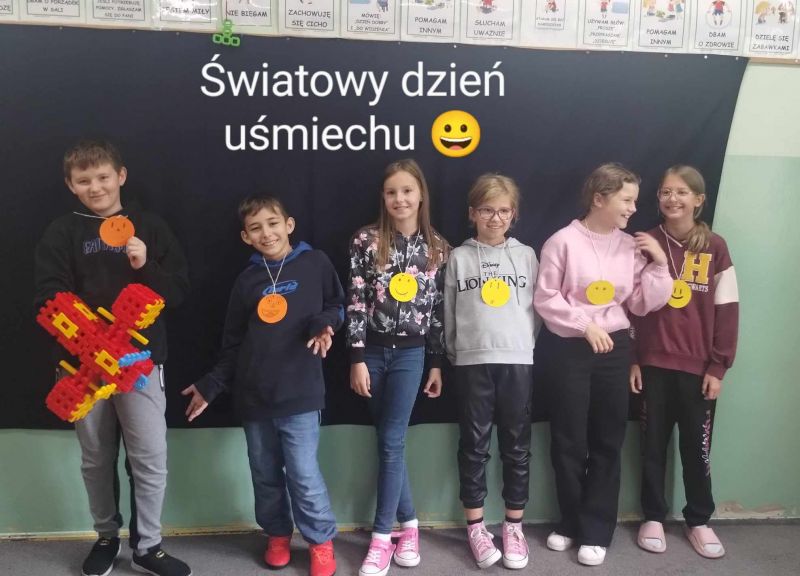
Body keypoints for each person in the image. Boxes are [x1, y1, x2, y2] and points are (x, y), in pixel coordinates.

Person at [34, 139, 191, 576]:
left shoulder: (151, 226)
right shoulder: (61, 233)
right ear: (71, 185)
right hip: (82, 368)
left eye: (103, 177)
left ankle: (149, 546)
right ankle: (106, 537)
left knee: (150, 456)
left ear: (120, 176)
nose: (95, 187)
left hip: (141, 364)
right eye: (84, 180)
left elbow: (178, 291)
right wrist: (95, 343)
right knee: (96, 457)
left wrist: (146, 266)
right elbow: (47, 297)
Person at [182, 196, 342, 576]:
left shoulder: (315, 262)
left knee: (304, 475)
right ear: (246, 237)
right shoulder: (247, 281)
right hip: (254, 398)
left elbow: (338, 304)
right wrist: (211, 385)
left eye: (272, 223)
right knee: (265, 474)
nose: (266, 233)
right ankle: (277, 534)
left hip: (301, 394)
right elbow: (233, 344)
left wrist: (324, 324)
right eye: (256, 228)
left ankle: (320, 541)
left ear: (289, 224)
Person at [533, 163, 672, 566]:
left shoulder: (631, 246)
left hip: (613, 349)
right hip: (569, 349)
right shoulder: (561, 242)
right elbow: (546, 298)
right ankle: (570, 522)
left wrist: (660, 265)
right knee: (568, 439)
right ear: (599, 198)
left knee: (608, 439)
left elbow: (642, 304)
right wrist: (584, 324)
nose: (633, 209)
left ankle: (596, 530)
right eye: (626, 199)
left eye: (634, 201)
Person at [347, 159, 449, 576]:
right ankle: (409, 526)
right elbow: (356, 301)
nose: (400, 199)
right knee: (389, 441)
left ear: (421, 194)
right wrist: (356, 358)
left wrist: (436, 363)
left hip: (411, 355)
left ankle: (380, 538)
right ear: (383, 198)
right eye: (391, 192)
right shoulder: (366, 241)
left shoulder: (438, 247)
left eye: (407, 191)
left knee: (391, 441)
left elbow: (438, 311)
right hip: (372, 353)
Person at [631, 166, 738, 559]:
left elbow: (727, 310)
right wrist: (634, 359)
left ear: (698, 199)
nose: (672, 199)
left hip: (698, 370)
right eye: (665, 192)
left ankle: (699, 519)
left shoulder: (715, 247)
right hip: (652, 365)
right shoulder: (645, 242)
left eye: (681, 192)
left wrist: (718, 367)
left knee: (697, 448)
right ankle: (652, 516)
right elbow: (630, 304)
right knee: (652, 446)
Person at [443, 174, 540, 569]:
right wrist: (455, 351)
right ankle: (476, 527)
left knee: (516, 446)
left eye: (503, 211)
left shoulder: (527, 256)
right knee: (474, 446)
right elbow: (448, 311)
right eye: (486, 210)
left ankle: (513, 526)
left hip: (517, 360)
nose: (495, 218)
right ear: (473, 213)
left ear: (513, 214)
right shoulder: (458, 257)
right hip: (471, 361)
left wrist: (522, 345)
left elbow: (536, 312)